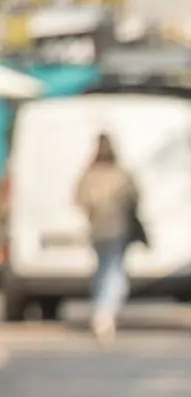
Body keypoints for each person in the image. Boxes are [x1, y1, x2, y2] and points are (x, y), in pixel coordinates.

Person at [74, 134, 140, 346]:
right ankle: (105, 313)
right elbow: (135, 197)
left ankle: (101, 310)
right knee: (114, 271)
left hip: (97, 230)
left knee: (103, 270)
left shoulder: (90, 174)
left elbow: (79, 198)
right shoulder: (120, 174)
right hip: (116, 229)